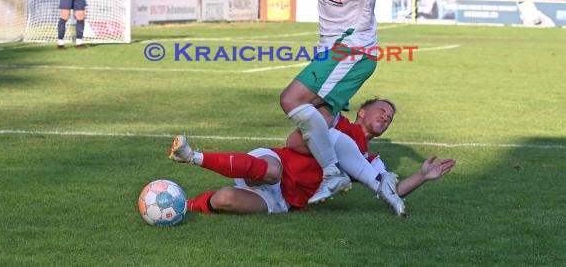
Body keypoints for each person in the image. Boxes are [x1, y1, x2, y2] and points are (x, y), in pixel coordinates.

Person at [250, 0, 413, 204]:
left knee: (291, 99)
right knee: (302, 138)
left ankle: (332, 173)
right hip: (336, 52)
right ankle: (380, 180)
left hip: (350, 51)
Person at [167, 98, 456, 216]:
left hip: (285, 199)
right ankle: (192, 156)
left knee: (224, 200)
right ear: (362, 112)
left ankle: (181, 206)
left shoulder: (370, 160)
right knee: (271, 172)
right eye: (382, 110)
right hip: (276, 164)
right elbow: (293, 139)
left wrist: (422, 176)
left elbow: (388, 188)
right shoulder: (336, 120)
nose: (386, 117)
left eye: (390, 117)